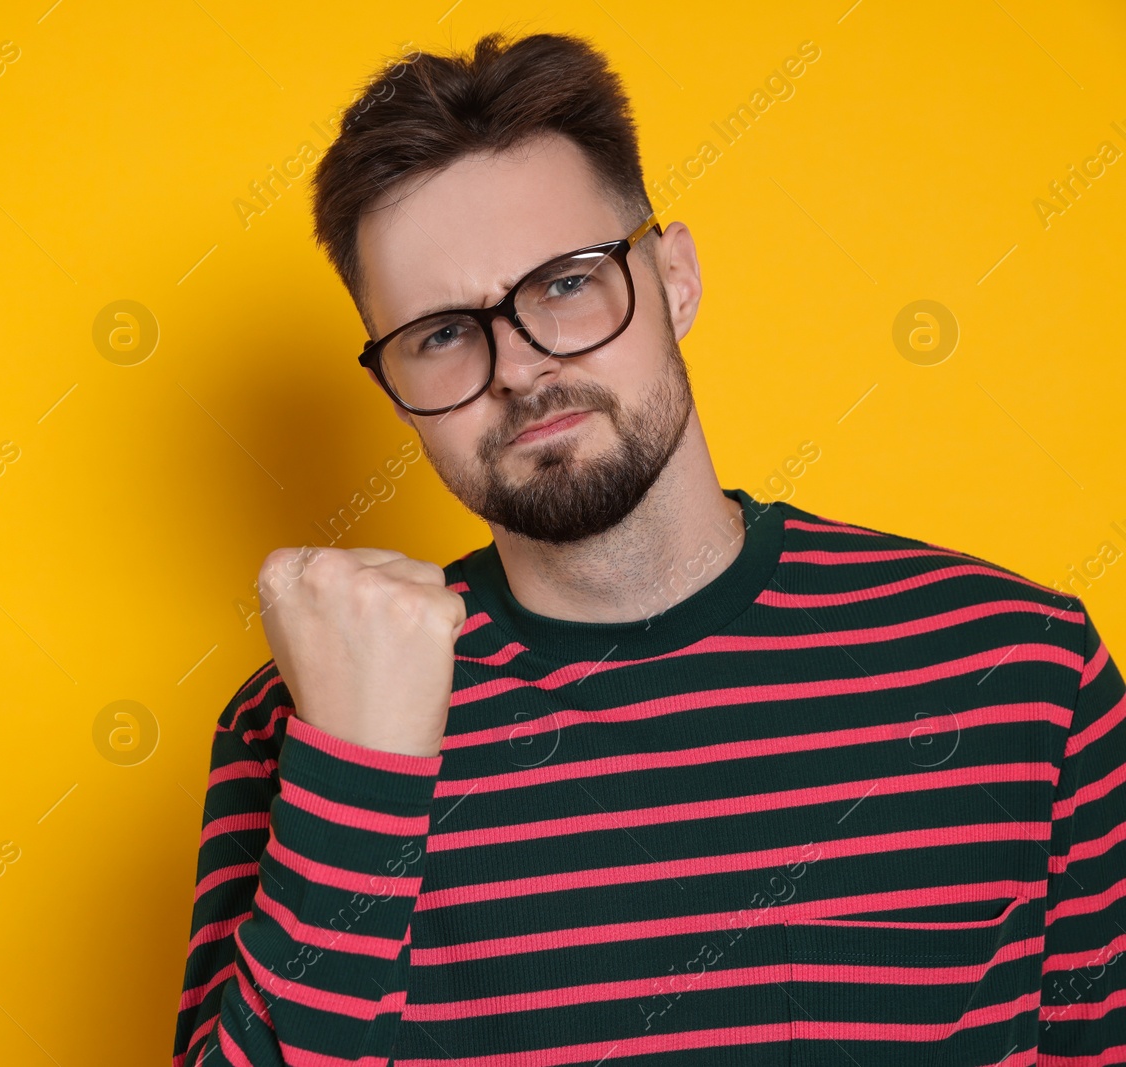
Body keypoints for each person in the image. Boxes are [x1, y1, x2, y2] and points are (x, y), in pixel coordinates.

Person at [173, 31, 1125, 1067]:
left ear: (672, 278)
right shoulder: (310, 714)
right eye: (442, 334)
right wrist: (362, 776)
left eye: (567, 283)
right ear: (391, 388)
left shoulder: (1015, 665)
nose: (521, 370)